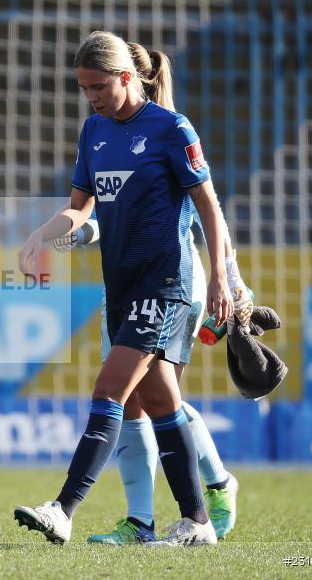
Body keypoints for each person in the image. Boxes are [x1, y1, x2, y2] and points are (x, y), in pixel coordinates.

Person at [14, 31, 234, 546]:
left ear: (128, 77)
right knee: (159, 403)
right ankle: (197, 520)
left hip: (166, 281)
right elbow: (79, 206)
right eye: (83, 88)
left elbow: (208, 205)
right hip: (122, 284)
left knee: (109, 390)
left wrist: (223, 276)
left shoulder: (171, 129)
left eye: (98, 86)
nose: (91, 97)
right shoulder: (94, 131)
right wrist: (39, 236)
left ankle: (63, 509)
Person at [55, 210, 247, 543]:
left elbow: (210, 214)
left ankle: (219, 483)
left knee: (158, 397)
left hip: (174, 283)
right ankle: (140, 523)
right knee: (130, 399)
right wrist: (83, 232)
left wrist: (233, 280)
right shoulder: (98, 155)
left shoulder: (176, 155)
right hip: (123, 287)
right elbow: (118, 220)